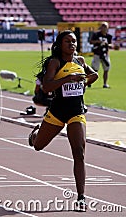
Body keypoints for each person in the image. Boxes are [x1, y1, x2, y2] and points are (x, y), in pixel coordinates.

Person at [28, 30, 98, 211]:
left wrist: (85, 80)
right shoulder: (55, 62)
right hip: (57, 112)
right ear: (60, 44)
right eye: (68, 41)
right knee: (38, 146)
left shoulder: (80, 61)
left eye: (74, 41)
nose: (72, 44)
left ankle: (81, 197)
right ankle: (35, 134)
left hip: (76, 112)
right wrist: (68, 79)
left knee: (79, 152)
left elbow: (94, 75)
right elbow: (46, 87)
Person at [89, 22, 112, 88]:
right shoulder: (96, 34)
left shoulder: (109, 36)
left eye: (105, 27)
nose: (104, 28)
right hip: (97, 54)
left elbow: (110, 44)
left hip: (105, 54)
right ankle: (89, 82)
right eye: (103, 26)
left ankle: (105, 84)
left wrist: (107, 44)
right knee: (94, 70)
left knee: (106, 69)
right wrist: (98, 42)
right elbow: (91, 42)